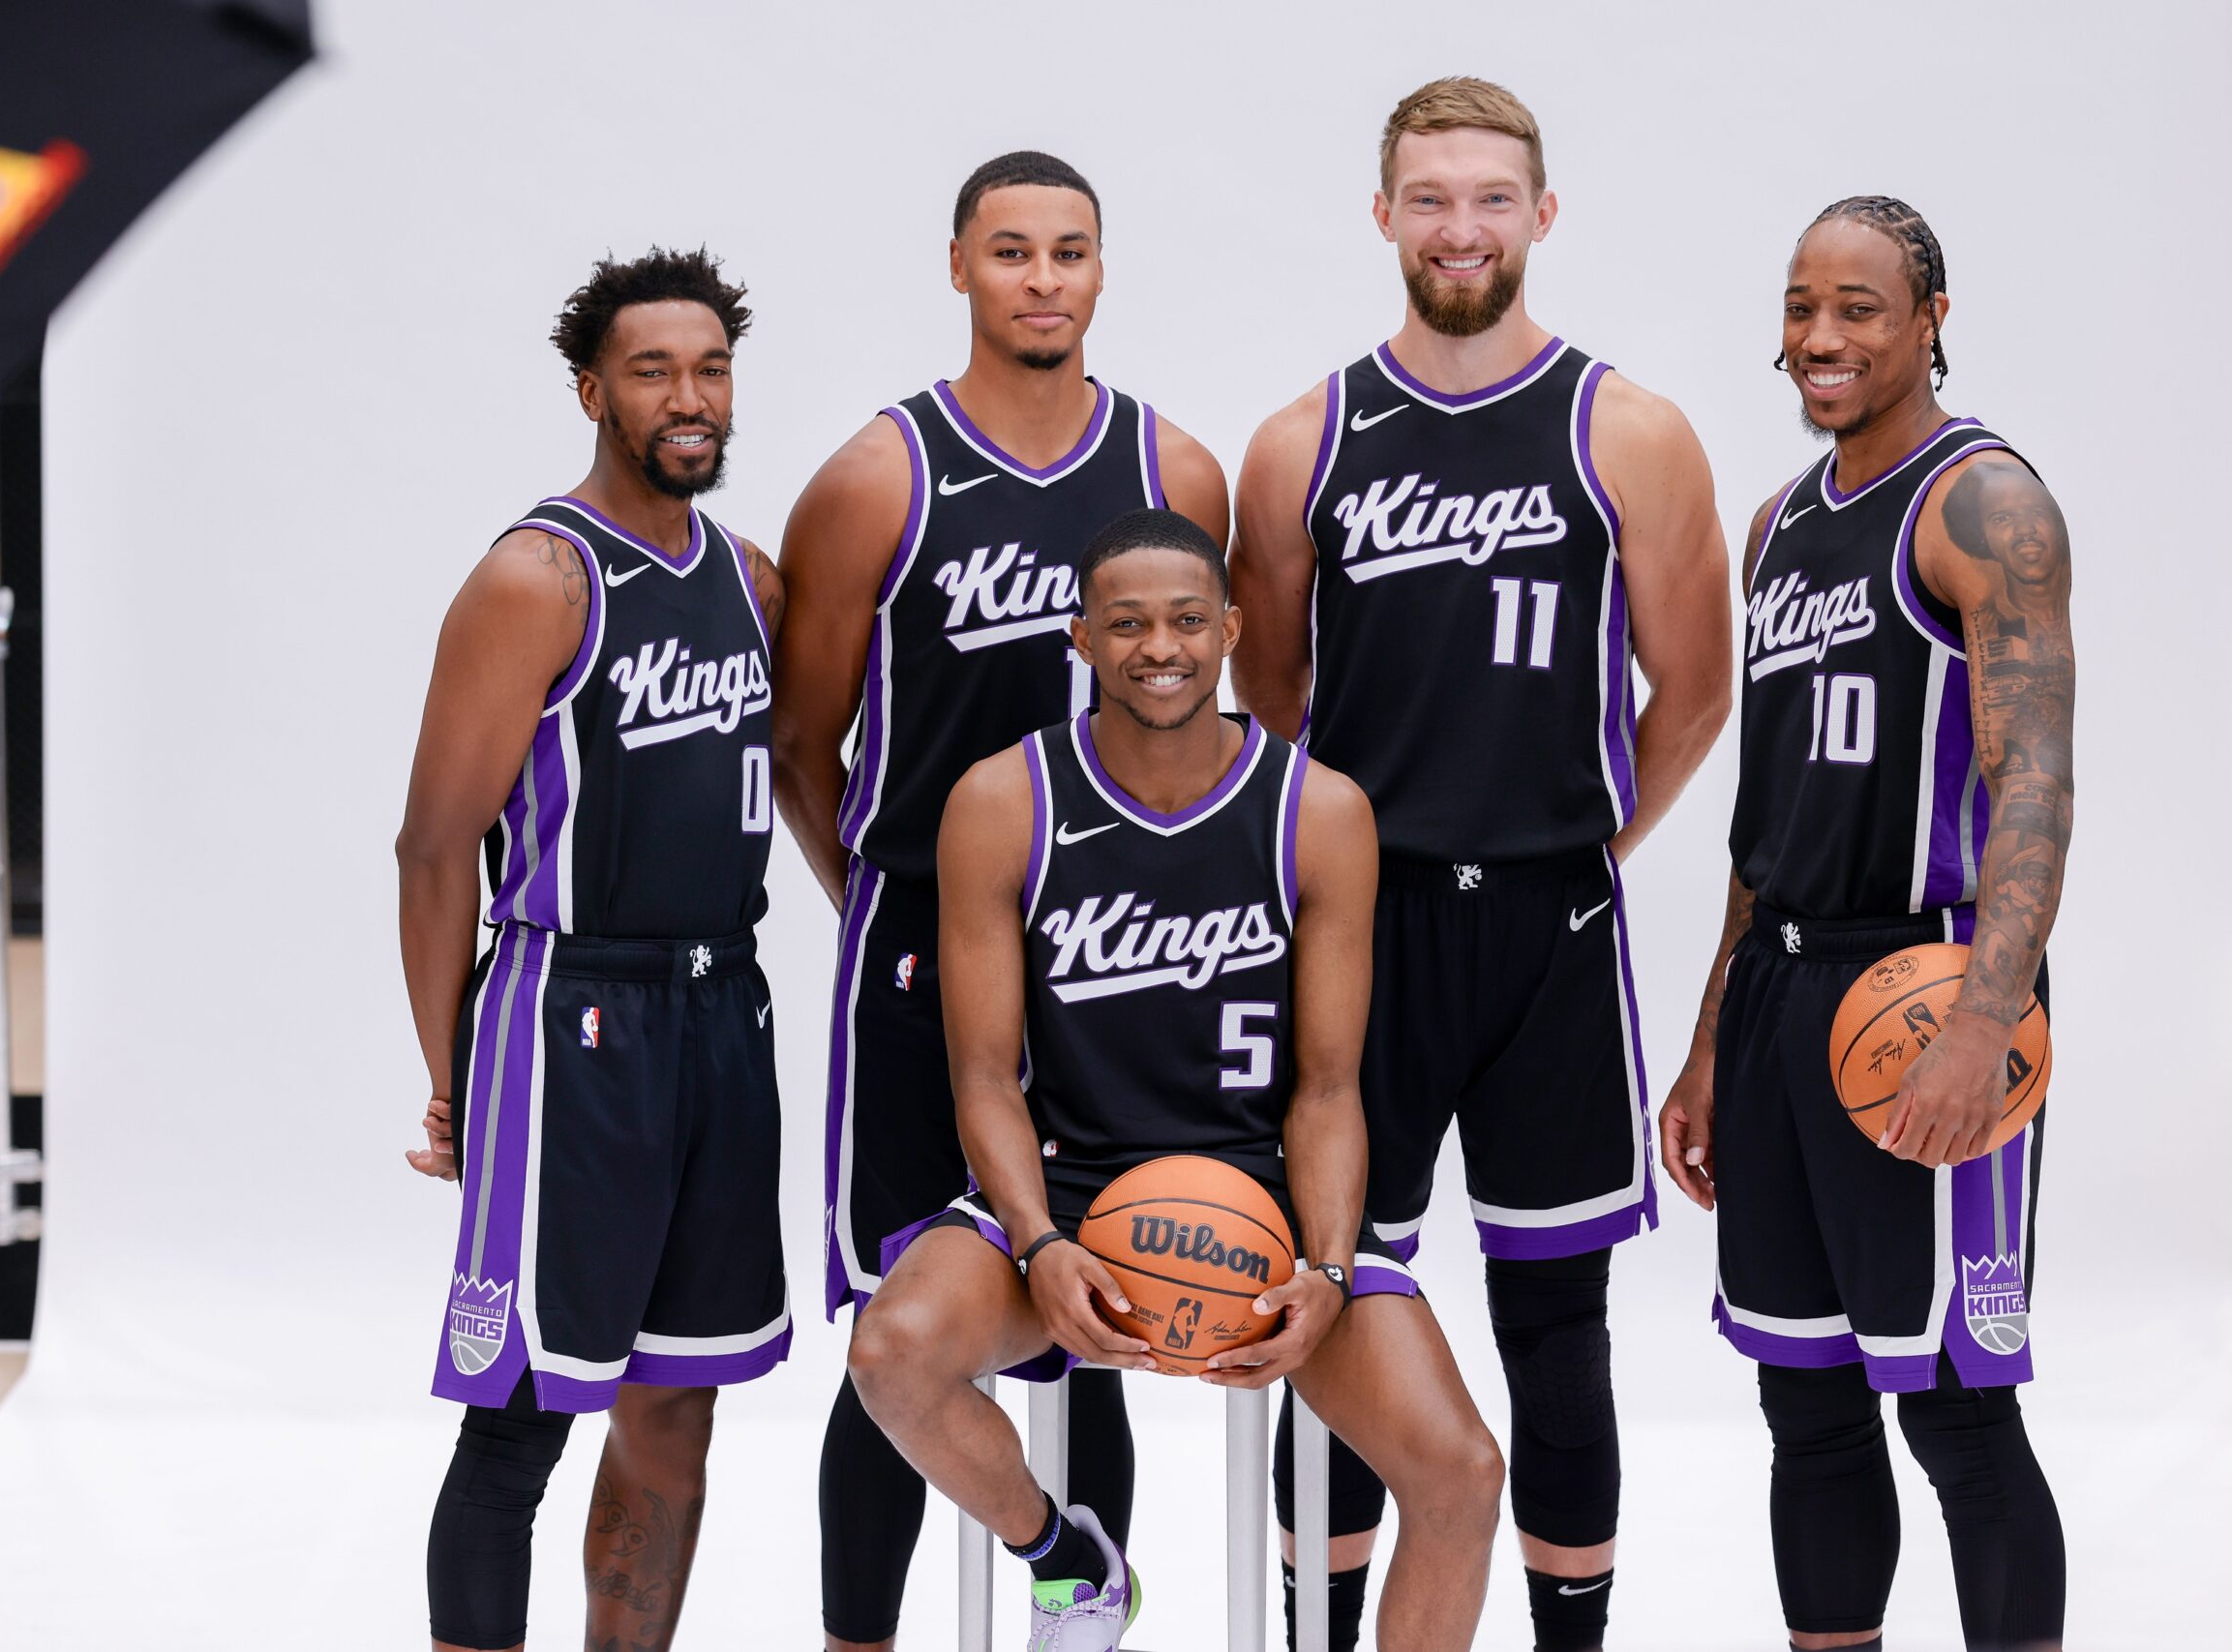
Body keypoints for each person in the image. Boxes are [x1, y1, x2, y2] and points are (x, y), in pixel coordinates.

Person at [1227, 76, 1731, 1651]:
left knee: (1556, 1322)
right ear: (1384, 216)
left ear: (1543, 215)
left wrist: (1581, 839)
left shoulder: (1627, 429)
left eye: (1491, 197)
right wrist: (1365, 847)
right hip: (1362, 937)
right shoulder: (1303, 437)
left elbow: (1694, 684)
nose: (1461, 227)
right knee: (1326, 1297)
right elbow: (1272, 688)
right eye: (1429, 198)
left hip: (1548, 934)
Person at [849, 508, 1503, 1652]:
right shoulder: (1002, 804)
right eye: (1129, 624)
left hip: (1265, 1202)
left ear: (1232, 631)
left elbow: (1328, 1088)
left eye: (1190, 621)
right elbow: (986, 1080)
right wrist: (1042, 1248)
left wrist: (1329, 1270)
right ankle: (1067, 1560)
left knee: (1461, 1475)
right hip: (1064, 1194)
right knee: (889, 1354)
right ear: (1080, 638)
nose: (1162, 647)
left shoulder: (1320, 811)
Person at [771, 152, 1229, 1651]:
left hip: (1118, 946)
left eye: (1070, 251)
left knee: (1105, 1291)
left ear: (1104, 271)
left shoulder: (1177, 469)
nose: (1042, 278)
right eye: (1012, 250)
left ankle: (1075, 1608)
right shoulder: (876, 477)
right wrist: (885, 906)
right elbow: (804, 740)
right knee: (898, 1326)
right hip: (917, 933)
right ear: (959, 266)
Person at [1657, 196, 2071, 1652]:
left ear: (1931, 318)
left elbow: (2034, 782)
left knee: (1958, 1414)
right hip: (1779, 998)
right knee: (1809, 1404)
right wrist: (1713, 1036)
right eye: (1799, 306)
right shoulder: (1777, 525)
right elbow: (1758, 817)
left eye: (1859, 308)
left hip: (1922, 979)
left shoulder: (1984, 502)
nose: (1820, 338)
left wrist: (1981, 1020)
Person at [397, 248, 787, 1652]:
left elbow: (795, 768)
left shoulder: (750, 575)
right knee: (518, 1417)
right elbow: (434, 846)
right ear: (591, 390)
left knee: (677, 1401)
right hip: (571, 1016)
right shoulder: (537, 573)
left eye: (710, 368)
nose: (689, 396)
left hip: (723, 1011)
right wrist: (455, 1072)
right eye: (653, 370)